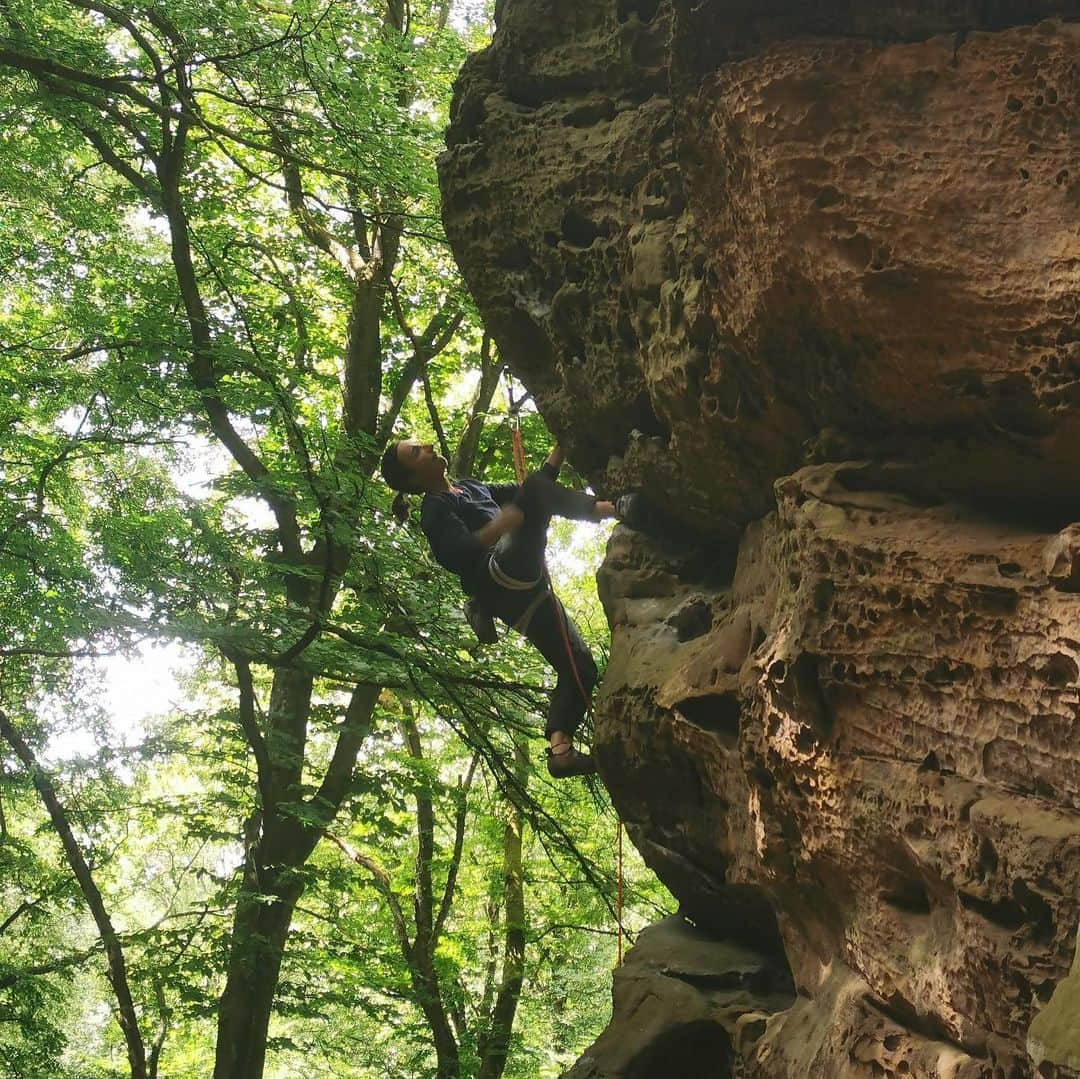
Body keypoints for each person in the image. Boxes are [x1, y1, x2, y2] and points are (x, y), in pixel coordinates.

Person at [380, 437, 633, 778]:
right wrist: (502, 524)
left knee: (580, 666)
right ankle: (616, 509)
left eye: (420, 443)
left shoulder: (468, 486)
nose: (426, 446)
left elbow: (531, 491)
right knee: (533, 495)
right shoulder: (435, 509)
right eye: (416, 452)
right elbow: (456, 554)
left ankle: (560, 750)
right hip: (498, 572)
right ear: (413, 479)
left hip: (528, 596)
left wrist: (560, 450)